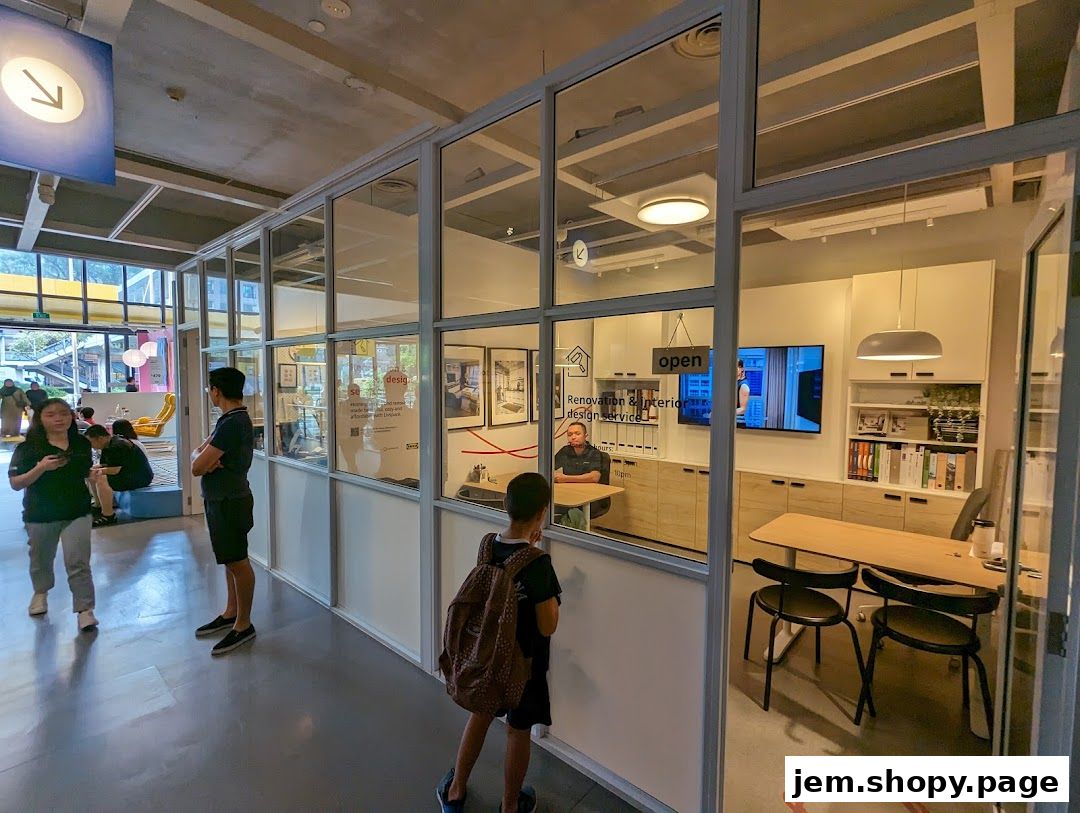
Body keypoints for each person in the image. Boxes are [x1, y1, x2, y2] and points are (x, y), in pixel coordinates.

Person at [438, 473, 561, 813]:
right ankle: (510, 806)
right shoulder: (539, 565)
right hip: (524, 662)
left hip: (488, 656)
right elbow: (547, 624)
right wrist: (536, 557)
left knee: (480, 715)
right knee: (517, 731)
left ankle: (456, 791)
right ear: (542, 513)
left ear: (506, 507)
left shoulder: (487, 544)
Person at [8, 398, 98, 631]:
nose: (59, 419)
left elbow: (83, 470)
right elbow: (16, 484)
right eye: (51, 414)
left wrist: (93, 474)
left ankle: (85, 609)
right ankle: (40, 592)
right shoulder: (27, 448)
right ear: (40, 418)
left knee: (78, 561)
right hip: (40, 512)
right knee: (41, 560)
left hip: (77, 509)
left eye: (64, 414)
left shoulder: (80, 443)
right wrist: (41, 468)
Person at [191, 366, 257, 656]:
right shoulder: (228, 419)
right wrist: (204, 459)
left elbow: (195, 466)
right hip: (221, 499)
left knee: (238, 562)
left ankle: (243, 624)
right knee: (230, 561)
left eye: (210, 389)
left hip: (230, 500)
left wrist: (204, 460)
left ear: (216, 391)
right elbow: (198, 455)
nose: (209, 393)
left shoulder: (233, 423)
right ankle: (231, 612)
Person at [84, 424, 154, 526]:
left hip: (139, 477)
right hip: (127, 473)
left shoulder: (118, 445)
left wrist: (97, 471)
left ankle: (108, 515)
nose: (91, 446)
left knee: (102, 478)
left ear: (100, 438)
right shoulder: (108, 445)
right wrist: (93, 468)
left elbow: (115, 470)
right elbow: (106, 464)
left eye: (91, 442)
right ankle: (98, 505)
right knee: (93, 474)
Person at [736, 359, 750, 425]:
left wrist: (723, 414)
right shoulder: (734, 382)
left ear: (741, 369)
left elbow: (742, 409)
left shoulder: (744, 386)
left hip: (738, 422)